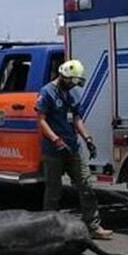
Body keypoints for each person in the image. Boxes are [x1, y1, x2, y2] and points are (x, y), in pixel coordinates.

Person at [36, 59, 113, 240]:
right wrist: (55, 140)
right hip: (53, 150)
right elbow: (41, 120)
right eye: (71, 81)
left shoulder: (72, 94)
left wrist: (88, 139)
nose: (73, 85)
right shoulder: (47, 92)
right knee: (53, 191)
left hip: (73, 148)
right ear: (63, 76)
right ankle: (48, 229)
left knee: (86, 185)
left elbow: (76, 119)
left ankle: (93, 226)